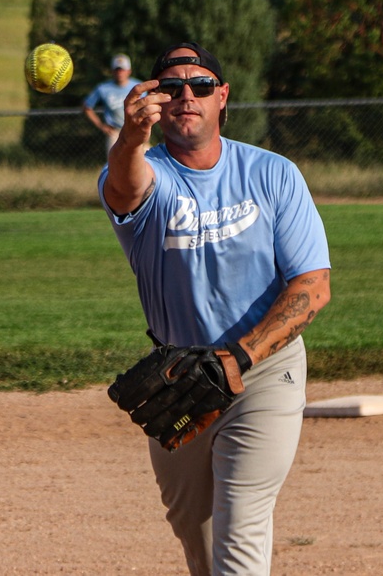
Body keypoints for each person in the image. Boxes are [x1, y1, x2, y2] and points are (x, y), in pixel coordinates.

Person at [98, 42, 332, 576]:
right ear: (153, 100)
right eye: (171, 87)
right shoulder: (145, 173)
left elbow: (312, 287)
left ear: (222, 97)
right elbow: (126, 187)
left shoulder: (273, 175)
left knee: (242, 526)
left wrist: (240, 358)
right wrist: (132, 136)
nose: (187, 95)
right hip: (177, 375)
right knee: (195, 533)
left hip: (265, 370)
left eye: (200, 86)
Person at [83, 53, 142, 156]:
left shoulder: (138, 87)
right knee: (115, 166)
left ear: (129, 71)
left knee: (144, 165)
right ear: (112, 71)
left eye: (122, 70)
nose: (120, 73)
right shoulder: (103, 88)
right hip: (115, 132)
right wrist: (101, 126)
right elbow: (87, 107)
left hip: (136, 130)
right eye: (117, 70)